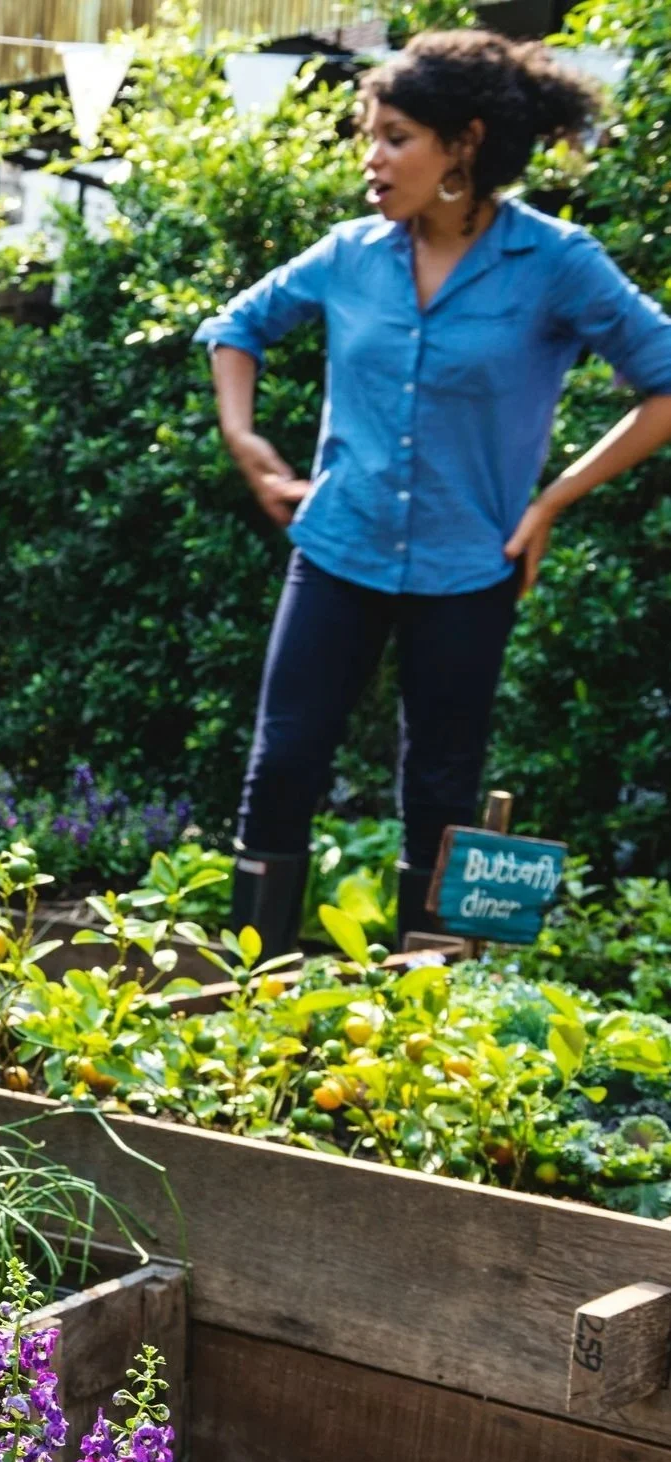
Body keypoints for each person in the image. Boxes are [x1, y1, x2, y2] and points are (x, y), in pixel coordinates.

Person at [197, 30, 671, 943]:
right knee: (284, 762)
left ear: (464, 144)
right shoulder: (349, 255)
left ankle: (430, 1013)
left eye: (397, 136)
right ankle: (250, 996)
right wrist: (240, 430)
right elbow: (238, 326)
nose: (371, 157)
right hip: (338, 544)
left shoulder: (556, 262)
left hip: (469, 562)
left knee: (444, 787)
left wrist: (552, 500)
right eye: (367, 134)